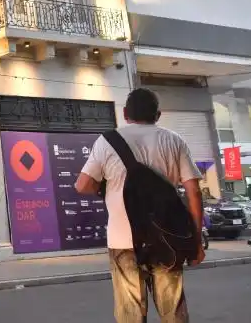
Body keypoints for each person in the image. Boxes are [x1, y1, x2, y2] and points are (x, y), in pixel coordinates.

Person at [75, 87, 204, 323]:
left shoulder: (107, 141)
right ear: (158, 114)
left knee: (130, 314)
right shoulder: (174, 140)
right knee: (173, 311)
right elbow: (194, 192)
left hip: (123, 240)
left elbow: (82, 185)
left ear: (125, 113)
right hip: (169, 239)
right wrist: (196, 241)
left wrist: (104, 187)